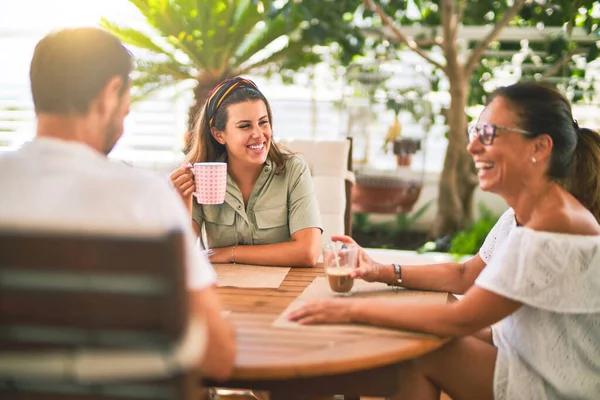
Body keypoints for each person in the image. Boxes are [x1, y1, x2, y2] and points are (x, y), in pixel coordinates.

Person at [289, 82, 600, 400]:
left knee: (421, 351)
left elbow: (460, 320)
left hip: (558, 388)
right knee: (408, 350)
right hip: (526, 357)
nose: (473, 147)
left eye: (489, 134)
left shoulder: (549, 228)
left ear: (540, 148)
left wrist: (348, 311)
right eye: (474, 132)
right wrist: (381, 271)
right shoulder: (526, 215)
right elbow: (468, 275)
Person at [0, 28, 235, 381]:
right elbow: (217, 356)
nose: (125, 116)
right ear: (110, 95)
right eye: (127, 103)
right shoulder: (147, 198)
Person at [170, 77, 322, 267]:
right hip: (221, 288)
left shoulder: (293, 170)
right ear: (219, 135)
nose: (259, 134)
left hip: (282, 288)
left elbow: (307, 252)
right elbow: (176, 255)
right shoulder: (201, 175)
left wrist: (230, 253)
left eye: (263, 122)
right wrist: (182, 199)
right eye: (245, 126)